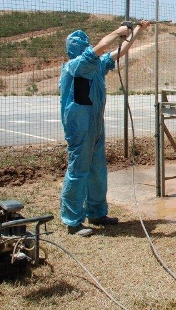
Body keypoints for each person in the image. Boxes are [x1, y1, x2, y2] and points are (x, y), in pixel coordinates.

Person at [60, 21, 149, 236]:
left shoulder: (96, 65)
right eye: (83, 45)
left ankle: (97, 212)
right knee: (78, 171)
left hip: (95, 125)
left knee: (97, 171)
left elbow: (120, 51)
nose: (86, 47)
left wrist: (138, 29)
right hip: (79, 127)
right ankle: (73, 221)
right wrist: (119, 31)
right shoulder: (76, 66)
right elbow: (100, 48)